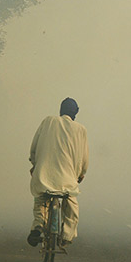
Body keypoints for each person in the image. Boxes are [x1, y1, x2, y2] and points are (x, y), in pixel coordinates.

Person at [26, 98, 88, 247]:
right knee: (71, 202)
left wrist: (34, 164)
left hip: (44, 175)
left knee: (41, 198)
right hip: (68, 179)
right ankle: (66, 235)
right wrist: (81, 174)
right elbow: (84, 158)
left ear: (61, 110)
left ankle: (38, 225)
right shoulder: (81, 130)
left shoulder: (48, 121)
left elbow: (34, 147)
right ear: (75, 113)